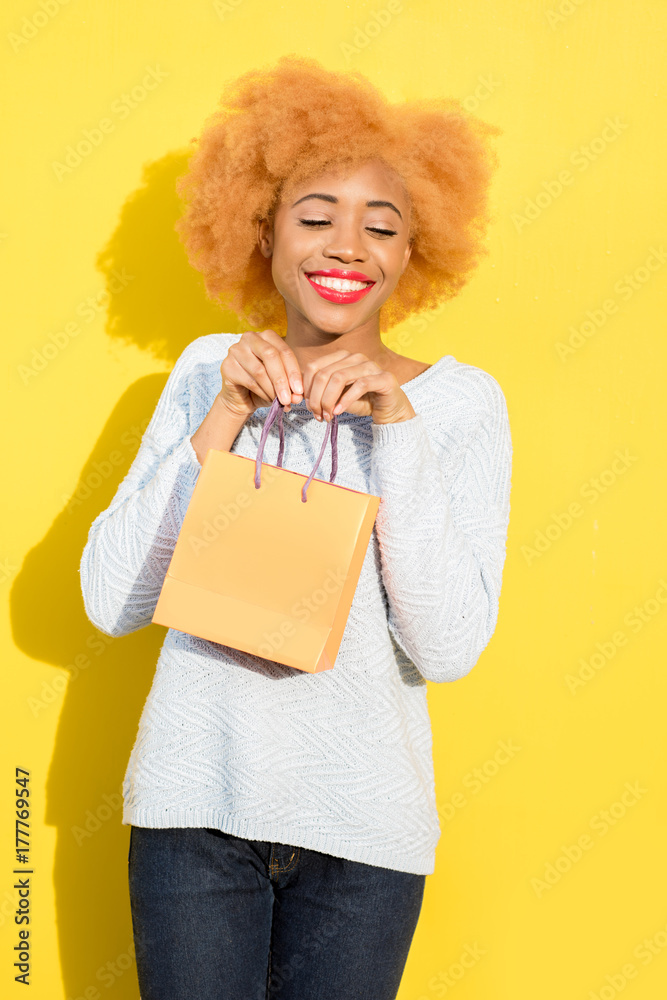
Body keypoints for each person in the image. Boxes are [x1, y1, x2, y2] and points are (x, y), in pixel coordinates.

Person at [80, 55, 512, 1000]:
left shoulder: (462, 406)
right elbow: (112, 601)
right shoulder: (206, 371)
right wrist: (223, 416)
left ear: (413, 252)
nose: (346, 247)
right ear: (261, 231)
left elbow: (447, 647)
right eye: (314, 218)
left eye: (381, 227)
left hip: (366, 831)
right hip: (194, 810)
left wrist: (393, 432)